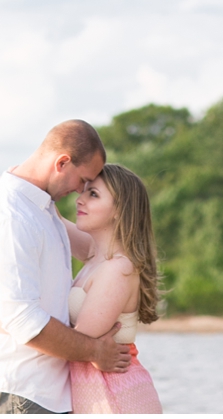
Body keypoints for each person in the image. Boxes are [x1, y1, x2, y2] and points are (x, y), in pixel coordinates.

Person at [0, 120, 132, 415]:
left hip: (40, 389)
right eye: (83, 180)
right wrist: (95, 351)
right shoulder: (12, 216)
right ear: (62, 162)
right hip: (19, 386)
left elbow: (99, 250)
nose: (80, 190)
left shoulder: (40, 208)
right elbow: (24, 321)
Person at [64, 164, 163, 414]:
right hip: (100, 393)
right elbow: (49, 219)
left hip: (118, 397)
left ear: (119, 210)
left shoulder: (118, 268)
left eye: (93, 194)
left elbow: (78, 341)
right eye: (83, 191)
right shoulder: (95, 253)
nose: (80, 199)